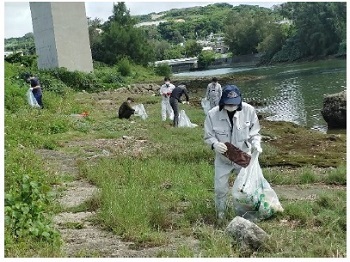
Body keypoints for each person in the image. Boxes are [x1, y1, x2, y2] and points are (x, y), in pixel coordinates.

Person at [204, 84, 262, 222]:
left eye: (234, 104)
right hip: (223, 159)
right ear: (222, 101)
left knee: (247, 187)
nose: (231, 106)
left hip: (242, 157)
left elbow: (255, 133)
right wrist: (214, 144)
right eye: (228, 104)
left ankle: (248, 213)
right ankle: (221, 213)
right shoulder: (212, 114)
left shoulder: (249, 110)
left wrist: (256, 144)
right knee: (220, 188)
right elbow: (208, 135)